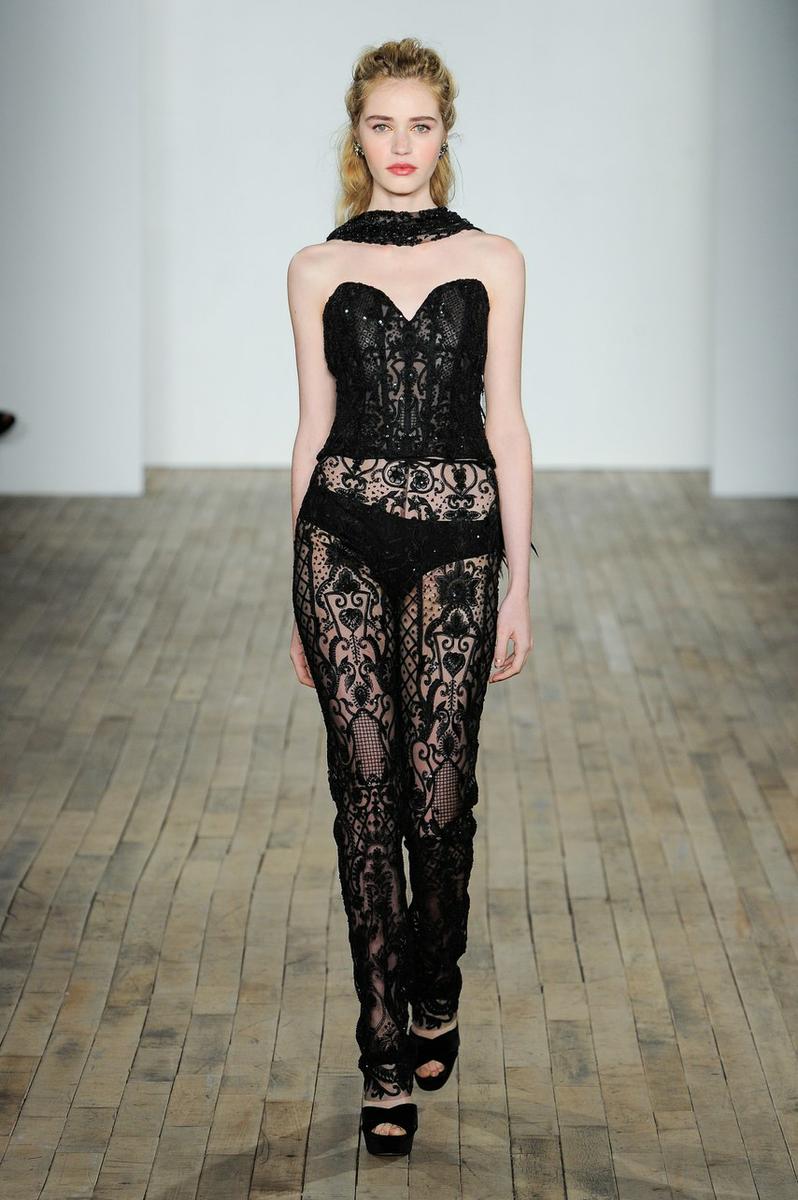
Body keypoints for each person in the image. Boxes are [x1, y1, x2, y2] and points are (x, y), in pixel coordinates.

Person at [287, 36, 537, 1157]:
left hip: (459, 548)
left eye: (420, 125)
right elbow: (312, 427)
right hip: (338, 539)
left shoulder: (495, 259)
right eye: (381, 125)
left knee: (437, 801)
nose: (401, 145)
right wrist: (291, 590)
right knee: (365, 801)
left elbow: (506, 422)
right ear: (358, 133)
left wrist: (522, 580)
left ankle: (438, 978)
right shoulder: (314, 268)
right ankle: (382, 1054)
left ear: (444, 134)